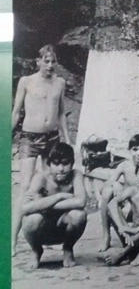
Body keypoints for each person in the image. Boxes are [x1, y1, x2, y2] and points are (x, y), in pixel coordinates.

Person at [11, 44, 72, 257]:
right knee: (26, 185)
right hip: (29, 137)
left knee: (51, 185)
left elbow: (62, 113)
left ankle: (47, 232)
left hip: (52, 137)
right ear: (37, 61)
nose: (49, 65)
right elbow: (17, 112)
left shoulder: (60, 83)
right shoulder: (26, 81)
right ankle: (12, 239)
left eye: (53, 61)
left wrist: (68, 139)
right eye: (45, 60)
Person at [21, 142, 87, 269]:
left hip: (64, 227)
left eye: (65, 163)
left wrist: (42, 203)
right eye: (56, 164)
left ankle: (68, 249)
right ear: (49, 165)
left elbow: (81, 202)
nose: (61, 169)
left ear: (72, 164)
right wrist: (59, 196)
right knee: (31, 219)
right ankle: (36, 251)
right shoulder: (40, 178)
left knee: (79, 215)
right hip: (43, 229)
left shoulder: (76, 175)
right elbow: (25, 208)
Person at [98, 134, 139, 252]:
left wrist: (132, 204)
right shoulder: (125, 166)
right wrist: (115, 184)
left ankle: (131, 242)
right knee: (107, 193)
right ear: (130, 150)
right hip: (127, 204)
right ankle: (106, 235)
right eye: (135, 149)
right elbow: (103, 187)